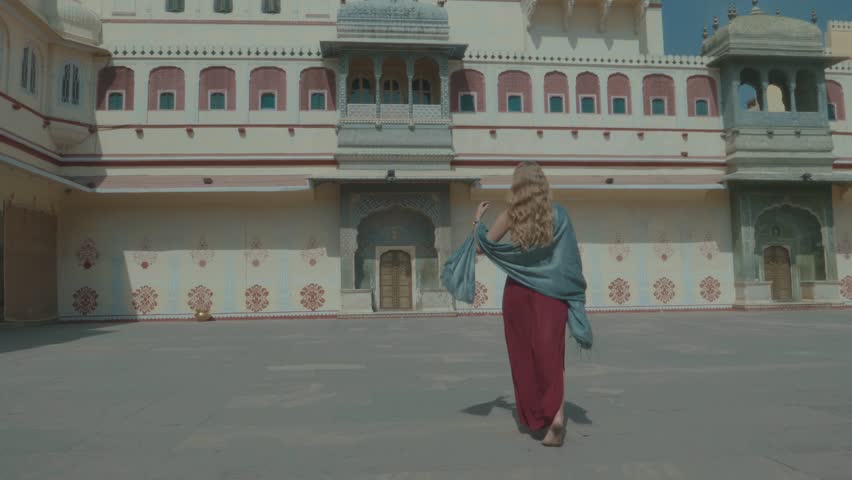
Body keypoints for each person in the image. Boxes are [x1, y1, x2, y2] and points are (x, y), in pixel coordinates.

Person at [443, 161, 590, 448]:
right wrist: (572, 295)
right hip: (551, 296)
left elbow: (480, 247)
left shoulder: (512, 215)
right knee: (552, 357)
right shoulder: (559, 215)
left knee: (524, 357)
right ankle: (556, 417)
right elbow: (570, 260)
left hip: (519, 295)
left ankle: (537, 417)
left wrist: (476, 221)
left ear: (517, 186)